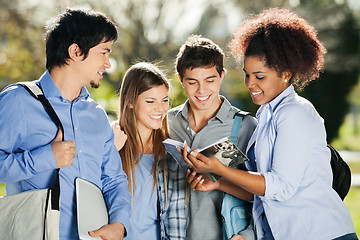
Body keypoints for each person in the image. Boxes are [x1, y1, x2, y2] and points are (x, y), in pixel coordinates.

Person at [183, 8, 358, 240]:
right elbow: (263, 192)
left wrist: (219, 169)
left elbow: (281, 187)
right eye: (247, 75)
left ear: (285, 73)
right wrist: (219, 183)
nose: (250, 84)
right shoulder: (266, 115)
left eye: (260, 76)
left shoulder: (296, 112)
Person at [0, 9, 131, 239]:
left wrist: (119, 224)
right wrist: (45, 158)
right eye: (103, 52)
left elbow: (114, 179)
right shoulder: (19, 100)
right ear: (75, 51)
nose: (108, 63)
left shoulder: (97, 115)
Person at [168, 35, 257, 240]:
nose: (202, 90)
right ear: (181, 80)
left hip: (226, 235)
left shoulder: (244, 126)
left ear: (222, 75)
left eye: (210, 80)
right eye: (192, 82)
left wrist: (248, 235)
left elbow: (264, 191)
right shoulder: (167, 122)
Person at [112, 62, 186, 239]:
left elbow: (177, 219)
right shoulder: (111, 143)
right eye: (150, 101)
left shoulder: (172, 153)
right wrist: (110, 151)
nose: (160, 108)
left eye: (165, 100)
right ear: (130, 101)